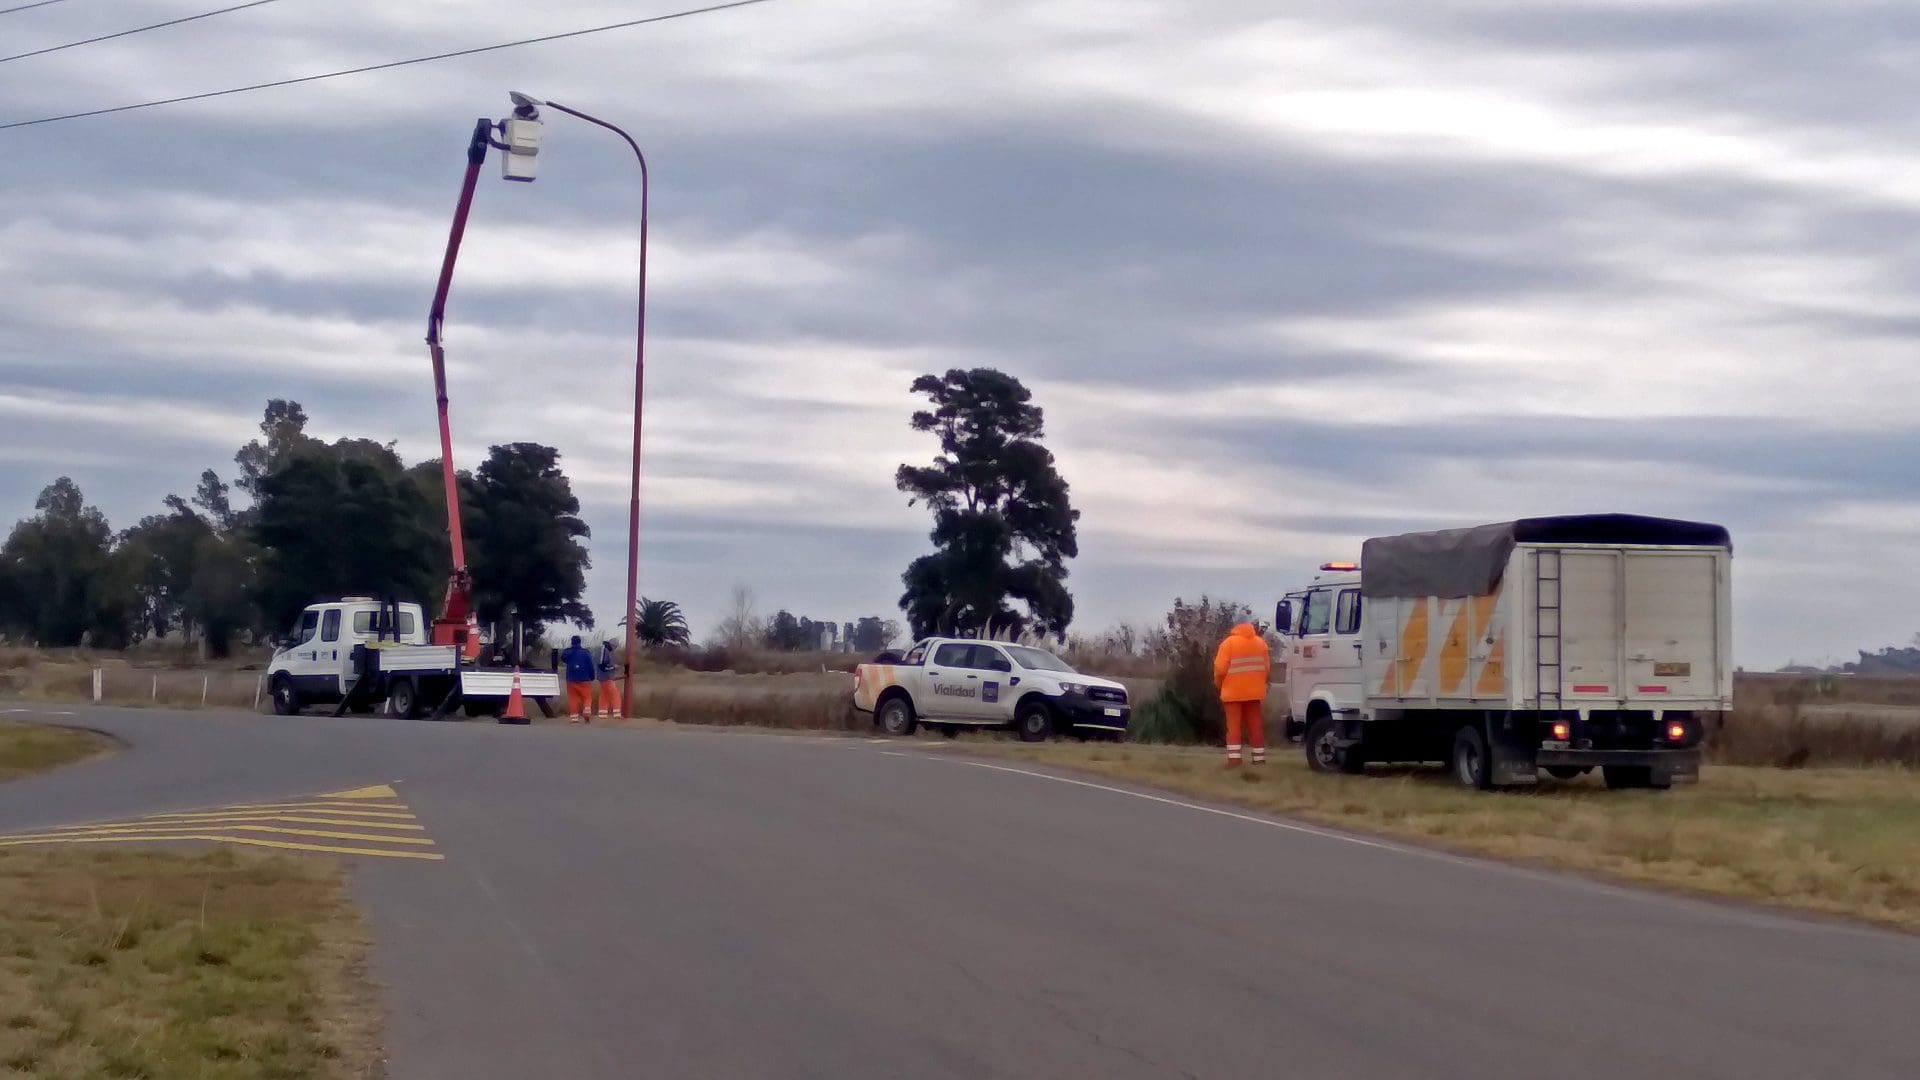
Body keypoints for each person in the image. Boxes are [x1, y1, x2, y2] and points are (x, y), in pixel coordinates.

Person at [1213, 621, 1271, 766]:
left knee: (1233, 728)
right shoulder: (1261, 644)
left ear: (1235, 628)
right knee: (1255, 726)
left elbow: (1220, 670)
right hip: (1254, 693)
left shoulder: (1228, 644)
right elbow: (1266, 669)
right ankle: (1259, 759)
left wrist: (1220, 685)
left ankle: (1234, 761)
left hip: (1232, 694)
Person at [560, 635, 597, 723]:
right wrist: (592, 677)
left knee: (573, 698)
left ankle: (574, 718)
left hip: (571, 679)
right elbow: (591, 666)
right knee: (587, 697)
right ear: (580, 642)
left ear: (571, 642)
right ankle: (587, 713)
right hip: (585, 679)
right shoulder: (586, 653)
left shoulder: (567, 652)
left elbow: (562, 658)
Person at [596, 637, 623, 721]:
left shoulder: (605, 650)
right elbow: (602, 665)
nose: (615, 649)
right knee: (615, 695)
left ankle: (602, 715)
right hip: (606, 677)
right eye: (615, 647)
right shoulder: (605, 650)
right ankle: (617, 715)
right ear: (612, 645)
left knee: (604, 695)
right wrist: (613, 667)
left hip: (603, 677)